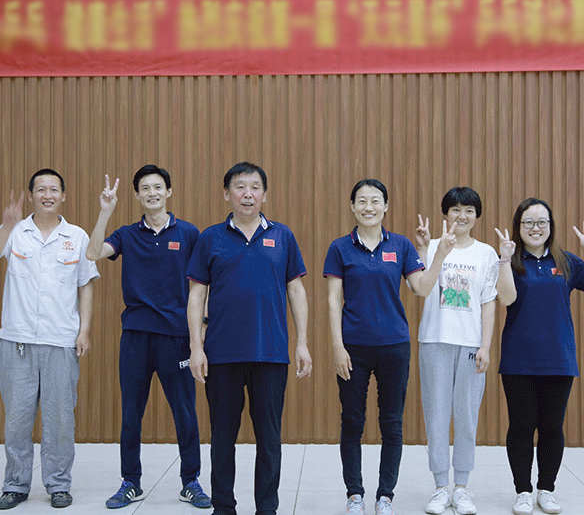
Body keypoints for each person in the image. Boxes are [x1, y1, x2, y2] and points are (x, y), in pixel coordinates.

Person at [186, 162, 312, 515]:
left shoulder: (282, 237)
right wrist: (196, 347)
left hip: (270, 353)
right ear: (227, 193)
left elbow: (296, 291)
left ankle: (267, 509)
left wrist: (302, 342)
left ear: (264, 195)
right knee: (222, 440)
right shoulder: (211, 238)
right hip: (222, 354)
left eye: (255, 187)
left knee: (269, 440)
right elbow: (196, 294)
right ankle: (223, 508)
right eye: (240, 187)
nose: (248, 194)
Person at [323, 179, 453, 515]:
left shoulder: (401, 245)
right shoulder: (340, 248)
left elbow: (421, 288)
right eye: (362, 201)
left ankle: (385, 496)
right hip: (353, 347)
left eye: (375, 201)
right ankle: (355, 494)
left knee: (391, 422)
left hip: (394, 347)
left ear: (385, 206)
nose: (368, 207)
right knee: (352, 421)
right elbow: (334, 300)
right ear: (352, 207)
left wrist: (439, 254)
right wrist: (337, 347)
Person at [85, 166, 210, 510]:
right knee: (131, 414)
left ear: (168, 191)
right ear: (137, 195)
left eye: (158, 187)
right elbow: (92, 253)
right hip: (136, 336)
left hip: (176, 337)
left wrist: (200, 331)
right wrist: (105, 212)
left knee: (185, 413)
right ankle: (131, 482)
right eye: (145, 188)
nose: (152, 193)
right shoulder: (126, 234)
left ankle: (191, 482)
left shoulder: (188, 233)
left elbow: (202, 285)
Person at [0, 168, 99, 510]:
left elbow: (86, 285)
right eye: (41, 189)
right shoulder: (16, 232)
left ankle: (58, 484)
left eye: (54, 189)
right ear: (32, 195)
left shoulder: (76, 236)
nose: (47, 195)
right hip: (16, 341)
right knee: (17, 420)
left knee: (60, 418)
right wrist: (6, 225)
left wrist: (84, 330)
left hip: (61, 342)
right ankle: (15, 485)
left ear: (63, 196)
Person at [494, 198, 584, 515]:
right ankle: (522, 491)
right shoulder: (510, 261)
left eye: (542, 222)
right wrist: (504, 260)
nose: (536, 228)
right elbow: (507, 298)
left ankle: (546, 489)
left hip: (559, 358)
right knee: (521, 427)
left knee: (551, 427)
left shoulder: (567, 261)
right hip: (518, 359)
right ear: (518, 227)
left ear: (550, 226)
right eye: (528, 222)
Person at [415, 187, 499, 515]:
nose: (461, 216)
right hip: (434, 340)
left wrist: (485, 346)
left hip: (470, 344)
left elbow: (489, 303)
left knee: (466, 416)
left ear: (476, 216)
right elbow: (420, 288)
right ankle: (440, 487)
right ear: (445, 213)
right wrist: (426, 249)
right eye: (455, 209)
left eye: (468, 210)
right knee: (436, 415)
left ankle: (461, 487)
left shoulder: (486, 253)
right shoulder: (432, 245)